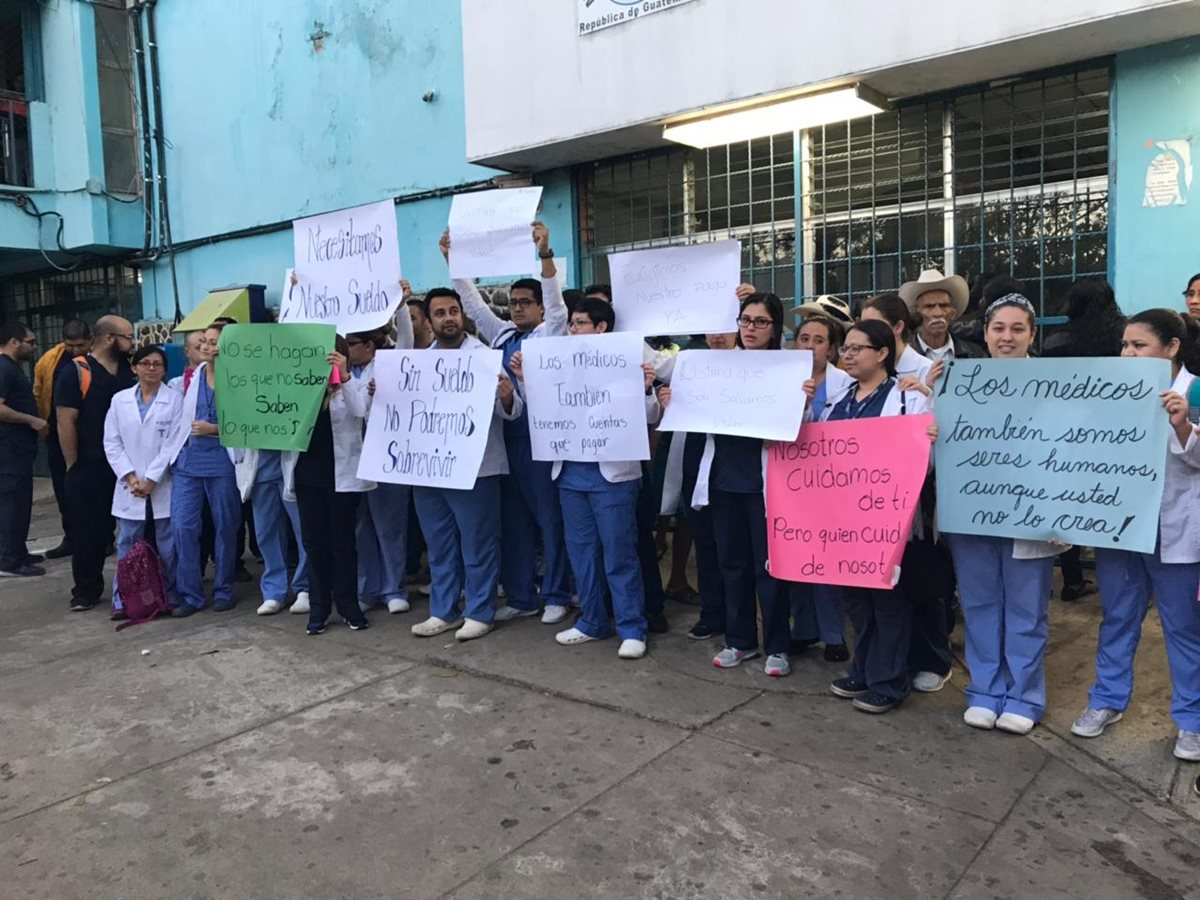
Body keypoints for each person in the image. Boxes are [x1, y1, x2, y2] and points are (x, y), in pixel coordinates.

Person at [1071, 309, 1200, 762]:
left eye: (1139, 345)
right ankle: (1106, 699)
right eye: (1124, 345)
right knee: (1119, 617)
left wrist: (1184, 424)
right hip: (1120, 528)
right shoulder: (1112, 393)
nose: (1128, 353)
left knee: (1183, 627)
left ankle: (1192, 720)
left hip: (1174, 530)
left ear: (1171, 348)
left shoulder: (1196, 392)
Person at [512, 297, 658, 659]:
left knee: (619, 553)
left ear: (601, 328)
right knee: (582, 553)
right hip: (570, 474)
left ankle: (631, 627)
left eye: (579, 323)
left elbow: (650, 414)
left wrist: (643, 388)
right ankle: (591, 621)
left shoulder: (626, 361)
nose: (573, 330)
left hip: (613, 477)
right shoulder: (560, 364)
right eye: (572, 324)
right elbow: (543, 408)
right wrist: (524, 379)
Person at [944, 294, 1064, 735]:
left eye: (1017, 329)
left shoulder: (1055, 384)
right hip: (972, 513)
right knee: (979, 604)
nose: (1007, 337)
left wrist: (1066, 513)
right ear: (986, 333)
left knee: (1026, 608)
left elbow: (1073, 450)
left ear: (1032, 334)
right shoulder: (960, 382)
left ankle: (1024, 696)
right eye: (999, 328)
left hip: (1032, 515)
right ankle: (985, 690)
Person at [442, 222, 572, 625]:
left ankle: (556, 594)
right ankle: (521, 594)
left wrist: (545, 254)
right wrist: (452, 260)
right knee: (513, 521)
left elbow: (557, 305)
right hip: (505, 441)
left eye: (525, 302)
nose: (517, 308)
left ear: (537, 307)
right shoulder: (500, 338)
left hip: (541, 441)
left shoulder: (551, 334)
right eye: (513, 302)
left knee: (548, 521)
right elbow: (475, 305)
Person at [806, 318, 936, 713]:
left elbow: (924, 462)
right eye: (844, 348)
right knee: (856, 600)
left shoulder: (906, 397)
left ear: (882, 354)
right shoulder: (837, 401)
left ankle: (889, 681)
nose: (847, 354)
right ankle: (862, 669)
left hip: (886, 521)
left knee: (887, 600)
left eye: (857, 348)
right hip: (843, 520)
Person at [672, 292, 792, 676]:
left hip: (765, 484)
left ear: (775, 328)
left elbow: (797, 426)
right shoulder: (716, 367)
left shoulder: (787, 369)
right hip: (723, 479)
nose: (751, 328)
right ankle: (739, 641)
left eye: (760, 322)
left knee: (769, 566)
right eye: (745, 320)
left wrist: (801, 402)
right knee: (732, 563)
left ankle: (777, 645)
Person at [401, 287, 521, 641]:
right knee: (439, 543)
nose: (448, 318)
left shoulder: (485, 357)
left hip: (475, 468)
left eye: (453, 311)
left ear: (461, 315)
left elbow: (512, 414)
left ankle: (480, 611)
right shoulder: (419, 362)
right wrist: (387, 392)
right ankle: (443, 610)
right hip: (428, 468)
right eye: (440, 313)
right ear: (428, 320)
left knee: (478, 542)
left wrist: (507, 396)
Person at [1041, 278, 1126, 601]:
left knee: (1065, 506)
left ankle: (1072, 578)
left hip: (1064, 437)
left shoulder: (1056, 339)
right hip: (1115, 437)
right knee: (1111, 505)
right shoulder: (1123, 337)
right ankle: (1119, 586)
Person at [291, 337, 375, 636]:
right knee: (315, 545)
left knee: (343, 544)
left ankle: (349, 606)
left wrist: (345, 375)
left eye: (333, 354)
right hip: (306, 477)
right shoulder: (297, 386)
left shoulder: (355, 384)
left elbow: (360, 410)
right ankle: (319, 609)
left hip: (342, 478)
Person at [55, 315, 136, 610]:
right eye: (128, 337)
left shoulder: (130, 370)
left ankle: (139, 583)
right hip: (91, 465)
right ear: (109, 338)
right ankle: (86, 590)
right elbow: (66, 421)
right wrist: (73, 464)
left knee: (135, 529)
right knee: (89, 531)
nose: (132, 343)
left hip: (128, 466)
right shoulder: (77, 372)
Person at [163, 323, 241, 617]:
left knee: (225, 526)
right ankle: (190, 594)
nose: (207, 347)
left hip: (222, 460)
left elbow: (247, 424)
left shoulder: (237, 378)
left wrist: (215, 429)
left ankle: (224, 589)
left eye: (213, 343)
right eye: (204, 342)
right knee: (183, 526)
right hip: (188, 461)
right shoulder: (193, 377)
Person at [350, 282, 415, 616]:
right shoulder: (340, 371)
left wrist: (401, 304)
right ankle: (368, 588)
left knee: (389, 526)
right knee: (360, 528)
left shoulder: (390, 362)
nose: (347, 349)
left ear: (370, 346)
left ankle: (394, 588)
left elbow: (407, 340)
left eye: (352, 344)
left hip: (387, 457)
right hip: (351, 460)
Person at [789, 315, 851, 661]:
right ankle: (804, 630)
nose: (810, 347)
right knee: (796, 558)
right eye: (804, 339)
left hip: (830, 483)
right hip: (792, 482)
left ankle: (833, 634)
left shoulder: (844, 383)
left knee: (826, 562)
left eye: (818, 340)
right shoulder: (781, 379)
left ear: (832, 348)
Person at [102, 345, 181, 619]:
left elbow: (173, 444)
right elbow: (112, 442)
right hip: (130, 486)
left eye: (157, 364)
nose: (151, 368)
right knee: (127, 542)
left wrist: (152, 478)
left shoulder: (174, 400)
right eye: (145, 363)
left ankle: (170, 595)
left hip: (161, 483)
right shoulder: (119, 400)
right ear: (134, 367)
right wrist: (131, 476)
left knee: (168, 545)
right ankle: (122, 599)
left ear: (164, 369)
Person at [32, 318, 92, 559]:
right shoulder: (50, 360)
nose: (76, 350)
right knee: (63, 487)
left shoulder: (97, 359)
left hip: (90, 434)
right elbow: (38, 391)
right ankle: (71, 536)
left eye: (80, 345)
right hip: (57, 434)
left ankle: (102, 537)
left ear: (90, 339)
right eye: (70, 345)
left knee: (93, 487)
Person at [0, 321, 47, 578]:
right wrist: (31, 420)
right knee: (11, 504)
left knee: (19, 504)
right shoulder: (3, 368)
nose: (33, 347)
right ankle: (10, 560)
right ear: (14, 341)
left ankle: (17, 550)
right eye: (29, 342)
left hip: (18, 449)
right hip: (9, 451)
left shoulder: (11, 368)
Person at [899, 269, 985, 362]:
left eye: (944, 305)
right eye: (929, 306)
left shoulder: (974, 354)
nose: (938, 313)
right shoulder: (901, 356)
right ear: (916, 313)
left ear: (953, 313)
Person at [860, 293, 934, 382]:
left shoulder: (928, 371)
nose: (864, 333)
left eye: (874, 325)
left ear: (898, 327)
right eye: (862, 326)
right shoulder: (862, 370)